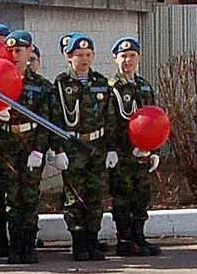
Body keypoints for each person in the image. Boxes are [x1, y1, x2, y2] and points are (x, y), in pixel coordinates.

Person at [0, 28, 47, 262]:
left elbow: (46, 121)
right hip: (6, 147)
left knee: (29, 197)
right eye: (9, 50)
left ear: (30, 51)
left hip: (30, 146)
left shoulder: (40, 85)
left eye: (19, 50)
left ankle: (28, 246)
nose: (13, 55)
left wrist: (39, 150)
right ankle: (14, 247)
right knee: (11, 198)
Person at [54, 33, 117, 260]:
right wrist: (58, 150)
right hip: (73, 145)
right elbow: (57, 119)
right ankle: (78, 243)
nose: (84, 59)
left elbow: (109, 118)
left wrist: (111, 148)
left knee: (95, 194)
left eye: (88, 54)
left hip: (97, 146)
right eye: (79, 55)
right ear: (68, 57)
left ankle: (92, 239)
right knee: (74, 196)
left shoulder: (101, 82)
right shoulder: (61, 83)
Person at [106, 37, 164, 254]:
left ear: (138, 58)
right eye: (123, 56)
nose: (127, 61)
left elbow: (154, 120)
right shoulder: (112, 88)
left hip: (143, 153)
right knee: (122, 196)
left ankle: (139, 236)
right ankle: (125, 240)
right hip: (122, 153)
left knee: (141, 195)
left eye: (131, 56)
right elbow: (109, 121)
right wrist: (111, 149)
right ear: (116, 59)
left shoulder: (144, 86)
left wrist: (154, 150)